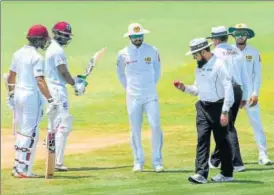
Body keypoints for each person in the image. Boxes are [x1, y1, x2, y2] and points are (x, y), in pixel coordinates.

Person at [174, 38, 234, 184]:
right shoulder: (199, 67)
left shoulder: (219, 65)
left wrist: (225, 111)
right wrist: (184, 88)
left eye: (195, 54)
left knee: (222, 142)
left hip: (219, 107)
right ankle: (200, 173)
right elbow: (197, 90)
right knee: (202, 139)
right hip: (202, 107)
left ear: (203, 52)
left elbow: (228, 88)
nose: (194, 57)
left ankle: (227, 173)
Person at [6, 24, 58, 178]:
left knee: (22, 131)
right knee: (30, 132)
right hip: (30, 97)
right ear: (38, 40)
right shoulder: (37, 57)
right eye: (43, 39)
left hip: (18, 94)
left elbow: (11, 76)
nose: (44, 42)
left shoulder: (18, 53)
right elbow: (40, 81)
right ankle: (23, 169)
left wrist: (10, 94)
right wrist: (51, 99)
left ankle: (17, 166)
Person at [116, 23, 164, 172]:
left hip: (150, 94)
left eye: (140, 36)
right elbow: (120, 74)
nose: (138, 39)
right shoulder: (123, 53)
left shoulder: (152, 50)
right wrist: (129, 88)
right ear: (130, 37)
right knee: (135, 129)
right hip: (133, 96)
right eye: (135, 37)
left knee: (155, 125)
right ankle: (138, 161)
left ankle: (157, 161)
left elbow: (157, 70)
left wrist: (150, 85)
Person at [206, 26, 249, 172]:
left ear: (216, 39)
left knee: (228, 127)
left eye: (212, 39)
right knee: (224, 126)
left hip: (225, 91)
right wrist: (245, 95)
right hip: (238, 90)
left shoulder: (214, 53)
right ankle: (215, 160)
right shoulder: (237, 50)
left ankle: (237, 162)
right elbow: (244, 75)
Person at [44, 21, 86, 171]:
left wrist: (74, 80)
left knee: (56, 125)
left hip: (53, 88)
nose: (66, 38)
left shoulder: (52, 48)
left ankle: (53, 158)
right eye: (63, 35)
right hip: (57, 90)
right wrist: (75, 84)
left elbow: (61, 73)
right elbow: (63, 71)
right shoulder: (57, 51)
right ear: (55, 33)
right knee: (63, 125)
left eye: (67, 35)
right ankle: (56, 162)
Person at [228, 23, 272, 165]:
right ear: (233, 35)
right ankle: (218, 158)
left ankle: (263, 154)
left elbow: (257, 75)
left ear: (247, 36)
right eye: (237, 33)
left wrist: (255, 93)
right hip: (233, 93)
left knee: (256, 123)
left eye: (243, 34)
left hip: (249, 94)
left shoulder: (253, 52)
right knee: (226, 126)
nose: (240, 37)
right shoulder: (228, 51)